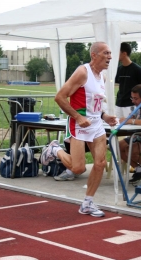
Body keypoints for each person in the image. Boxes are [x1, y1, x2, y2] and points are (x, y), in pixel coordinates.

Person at [43, 42, 117, 217]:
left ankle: (88, 203)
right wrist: (78, 116)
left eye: (110, 53)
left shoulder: (103, 77)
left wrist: (105, 116)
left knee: (100, 164)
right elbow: (59, 97)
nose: (110, 57)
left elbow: (96, 106)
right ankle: (55, 149)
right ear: (94, 55)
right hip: (79, 125)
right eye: (106, 53)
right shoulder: (82, 72)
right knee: (78, 169)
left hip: (97, 126)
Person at [115, 42, 141, 118]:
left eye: (118, 52)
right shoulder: (119, 69)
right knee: (117, 126)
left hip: (131, 104)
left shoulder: (137, 69)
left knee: (130, 127)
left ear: (124, 53)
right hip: (119, 104)